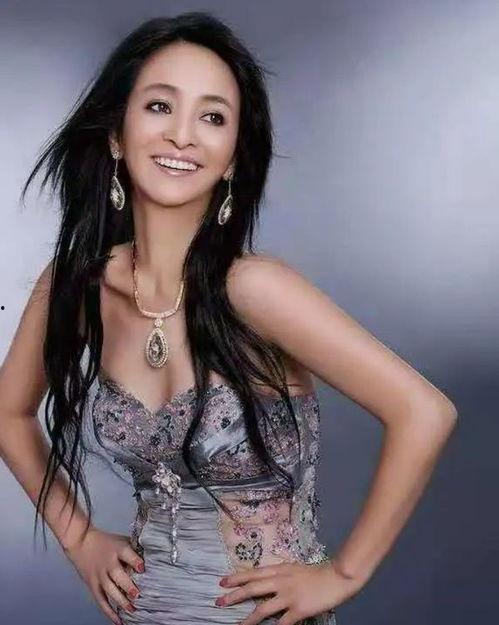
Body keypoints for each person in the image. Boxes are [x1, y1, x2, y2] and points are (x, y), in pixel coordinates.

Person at [0, 10, 458, 625]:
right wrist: (80, 541)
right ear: (115, 134)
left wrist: (344, 573)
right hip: (145, 610)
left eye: (212, 117)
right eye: (159, 106)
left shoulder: (255, 289)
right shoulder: (78, 284)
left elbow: (424, 412)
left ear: (234, 157)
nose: (182, 136)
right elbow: (8, 412)